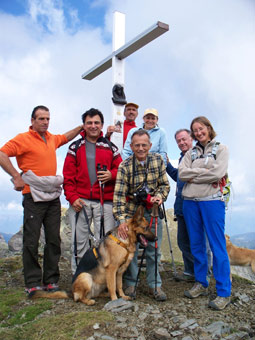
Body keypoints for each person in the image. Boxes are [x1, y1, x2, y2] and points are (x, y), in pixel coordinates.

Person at [0, 105, 83, 296]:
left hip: (52, 196)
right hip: (32, 196)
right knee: (31, 240)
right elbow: (1, 153)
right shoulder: (23, 139)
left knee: (54, 239)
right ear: (32, 121)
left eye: (47, 119)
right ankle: (32, 283)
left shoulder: (51, 138)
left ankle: (51, 280)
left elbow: (65, 137)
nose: (45, 122)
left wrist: (82, 128)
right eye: (41, 119)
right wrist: (15, 176)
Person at [178, 116, 231, 310]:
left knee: (218, 246)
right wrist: (204, 174)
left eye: (201, 129)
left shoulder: (221, 149)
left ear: (209, 128)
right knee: (196, 244)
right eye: (195, 130)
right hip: (190, 202)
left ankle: (224, 291)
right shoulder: (190, 153)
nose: (199, 133)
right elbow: (181, 174)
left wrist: (195, 175)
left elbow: (218, 174)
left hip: (212, 202)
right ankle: (201, 282)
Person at [63, 108, 122, 274]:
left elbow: (121, 169)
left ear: (102, 125)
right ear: (84, 125)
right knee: (79, 243)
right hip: (80, 202)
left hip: (105, 202)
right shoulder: (75, 147)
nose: (93, 126)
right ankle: (79, 278)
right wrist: (73, 198)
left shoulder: (111, 147)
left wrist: (112, 174)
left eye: (96, 122)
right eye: (89, 123)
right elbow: (68, 176)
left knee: (106, 244)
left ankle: (102, 280)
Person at [113, 129, 170, 301]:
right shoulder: (124, 166)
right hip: (132, 212)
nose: (140, 148)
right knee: (131, 248)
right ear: (131, 146)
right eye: (137, 145)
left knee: (154, 247)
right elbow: (118, 197)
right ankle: (131, 284)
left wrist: (159, 197)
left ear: (150, 145)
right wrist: (122, 221)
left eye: (144, 145)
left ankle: (155, 285)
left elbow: (164, 185)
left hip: (151, 210)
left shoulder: (158, 160)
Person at [167, 129, 212, 282]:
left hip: (196, 205)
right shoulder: (182, 158)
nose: (181, 143)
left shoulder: (197, 155)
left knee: (199, 242)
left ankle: (204, 275)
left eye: (184, 139)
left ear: (191, 138)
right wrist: (167, 165)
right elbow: (179, 178)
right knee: (183, 241)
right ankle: (190, 272)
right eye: (178, 141)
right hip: (181, 206)